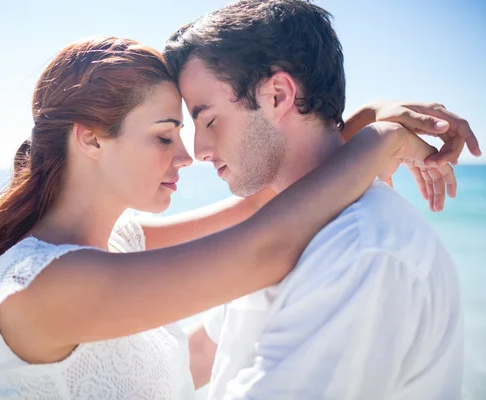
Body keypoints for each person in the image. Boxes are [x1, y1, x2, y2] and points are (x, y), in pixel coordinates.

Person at [0, 36, 464, 399]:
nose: (187, 155)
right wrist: (382, 141)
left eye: (188, 129)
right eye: (164, 135)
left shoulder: (122, 242)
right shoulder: (42, 288)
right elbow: (265, 247)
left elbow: (263, 203)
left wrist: (363, 118)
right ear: (90, 138)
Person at [162, 1, 481, 399]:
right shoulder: (292, 226)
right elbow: (204, 354)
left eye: (208, 120)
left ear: (278, 96)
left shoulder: (362, 250)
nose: (199, 150)